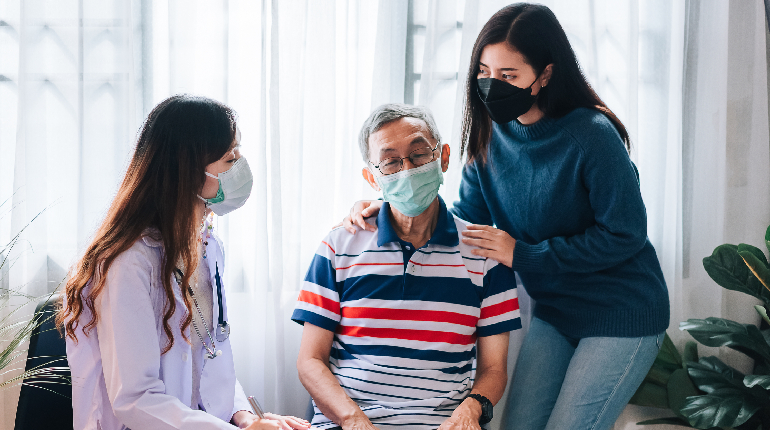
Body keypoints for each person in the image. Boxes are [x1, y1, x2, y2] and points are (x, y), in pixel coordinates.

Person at [342, 4, 670, 430]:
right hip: (556, 310)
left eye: (509, 76)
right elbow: (463, 223)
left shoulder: (591, 134)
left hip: (621, 311)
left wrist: (525, 255)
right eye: (484, 71)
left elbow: (624, 235)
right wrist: (391, 206)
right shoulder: (488, 135)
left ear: (545, 75)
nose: (491, 85)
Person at [57, 95, 311, 430]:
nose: (241, 167)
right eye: (230, 158)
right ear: (187, 170)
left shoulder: (206, 244)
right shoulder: (128, 263)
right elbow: (135, 401)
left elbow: (211, 351)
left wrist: (244, 418)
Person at [293, 104, 521, 430]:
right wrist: (353, 419)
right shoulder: (339, 246)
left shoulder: (486, 256)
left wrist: (470, 410)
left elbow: (494, 370)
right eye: (390, 162)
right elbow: (310, 361)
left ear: (442, 157)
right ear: (373, 177)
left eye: (418, 154)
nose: (407, 170)